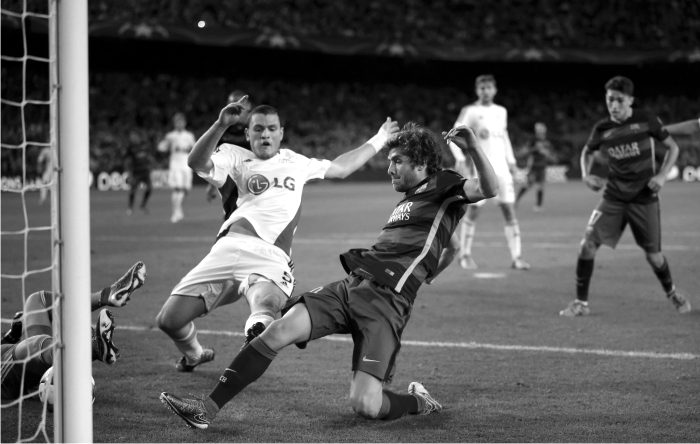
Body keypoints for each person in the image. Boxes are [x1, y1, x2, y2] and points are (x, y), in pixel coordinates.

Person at [159, 123, 499, 429]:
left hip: (386, 303)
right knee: (279, 329)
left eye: (397, 160)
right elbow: (450, 246)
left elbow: (489, 187)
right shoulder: (412, 200)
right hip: (352, 285)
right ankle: (207, 408)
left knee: (365, 404)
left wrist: (472, 149)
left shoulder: (445, 185)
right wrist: (428, 272)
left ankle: (418, 401)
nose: (389, 167)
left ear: (421, 163)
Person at [155, 97, 400, 373]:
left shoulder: (296, 162)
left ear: (281, 133)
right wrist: (221, 124)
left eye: (272, 128)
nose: (265, 134)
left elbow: (341, 168)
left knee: (265, 304)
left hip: (271, 257)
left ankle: (257, 332)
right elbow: (195, 161)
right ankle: (195, 354)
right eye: (258, 129)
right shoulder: (233, 156)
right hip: (228, 249)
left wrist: (380, 138)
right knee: (169, 320)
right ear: (248, 134)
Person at [560, 76, 690, 317]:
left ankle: (672, 292)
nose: (614, 105)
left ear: (630, 100)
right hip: (614, 196)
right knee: (587, 246)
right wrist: (587, 175)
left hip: (644, 197)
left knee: (654, 256)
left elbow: (673, 147)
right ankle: (581, 303)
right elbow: (587, 151)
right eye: (610, 100)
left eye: (619, 100)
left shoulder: (646, 120)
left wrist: (661, 176)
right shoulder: (602, 128)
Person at [1, 262, 146, 400]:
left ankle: (108, 295)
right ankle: (93, 348)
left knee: (39, 300)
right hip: (6, 370)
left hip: (13, 354)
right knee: (33, 345)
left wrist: (11, 336)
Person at [449, 75, 530, 270]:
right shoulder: (470, 111)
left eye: (488, 87)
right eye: (482, 88)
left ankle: (517, 257)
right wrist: (460, 159)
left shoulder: (501, 111)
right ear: (477, 90)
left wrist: (512, 164)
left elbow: (505, 138)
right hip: (481, 169)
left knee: (509, 210)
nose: (485, 91)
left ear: (495, 90)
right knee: (474, 210)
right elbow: (452, 135)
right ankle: (465, 256)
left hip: (502, 170)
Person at [206, 91, 253, 207]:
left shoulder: (255, 127)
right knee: (232, 215)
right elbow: (219, 161)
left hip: (253, 178)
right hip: (231, 180)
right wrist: (212, 185)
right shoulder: (222, 129)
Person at [158, 113, 196, 223]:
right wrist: (162, 147)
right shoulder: (170, 136)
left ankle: (178, 209)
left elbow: (194, 148)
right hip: (175, 165)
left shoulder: (189, 135)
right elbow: (162, 147)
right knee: (178, 189)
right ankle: (175, 213)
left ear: (185, 123)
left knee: (186, 189)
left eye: (181, 121)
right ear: (174, 123)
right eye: (177, 122)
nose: (179, 124)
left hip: (186, 165)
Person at [515, 122, 557, 211]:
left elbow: (551, 155)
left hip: (542, 166)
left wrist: (546, 153)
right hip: (533, 166)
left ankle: (538, 206)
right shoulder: (533, 140)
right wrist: (535, 148)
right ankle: (516, 201)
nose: (540, 131)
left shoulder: (547, 141)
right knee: (527, 184)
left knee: (541, 186)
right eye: (538, 129)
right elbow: (524, 152)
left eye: (541, 129)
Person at [125, 130, 154, 215]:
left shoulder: (144, 145)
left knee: (149, 188)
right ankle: (130, 208)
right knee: (133, 190)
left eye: (134, 136)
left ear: (138, 136)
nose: (133, 138)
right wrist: (129, 172)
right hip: (136, 172)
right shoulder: (130, 148)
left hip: (145, 171)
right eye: (131, 137)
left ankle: (143, 205)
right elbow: (127, 160)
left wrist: (151, 165)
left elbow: (149, 156)